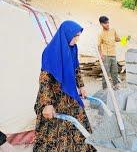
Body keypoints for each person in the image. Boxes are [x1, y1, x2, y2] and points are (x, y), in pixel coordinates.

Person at [33, 20, 96, 151]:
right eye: (75, 36)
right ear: (67, 34)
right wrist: (47, 104)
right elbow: (44, 80)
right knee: (55, 129)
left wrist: (82, 86)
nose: (77, 39)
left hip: (69, 94)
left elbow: (76, 68)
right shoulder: (50, 52)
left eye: (79, 36)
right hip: (53, 96)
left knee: (78, 120)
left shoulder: (73, 49)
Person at [98, 16, 121, 90]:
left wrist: (125, 39)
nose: (107, 24)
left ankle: (116, 86)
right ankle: (105, 88)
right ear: (101, 24)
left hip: (113, 55)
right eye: (105, 23)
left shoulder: (113, 30)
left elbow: (118, 39)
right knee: (106, 73)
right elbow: (98, 45)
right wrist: (101, 55)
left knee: (115, 72)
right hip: (106, 56)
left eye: (108, 22)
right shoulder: (101, 34)